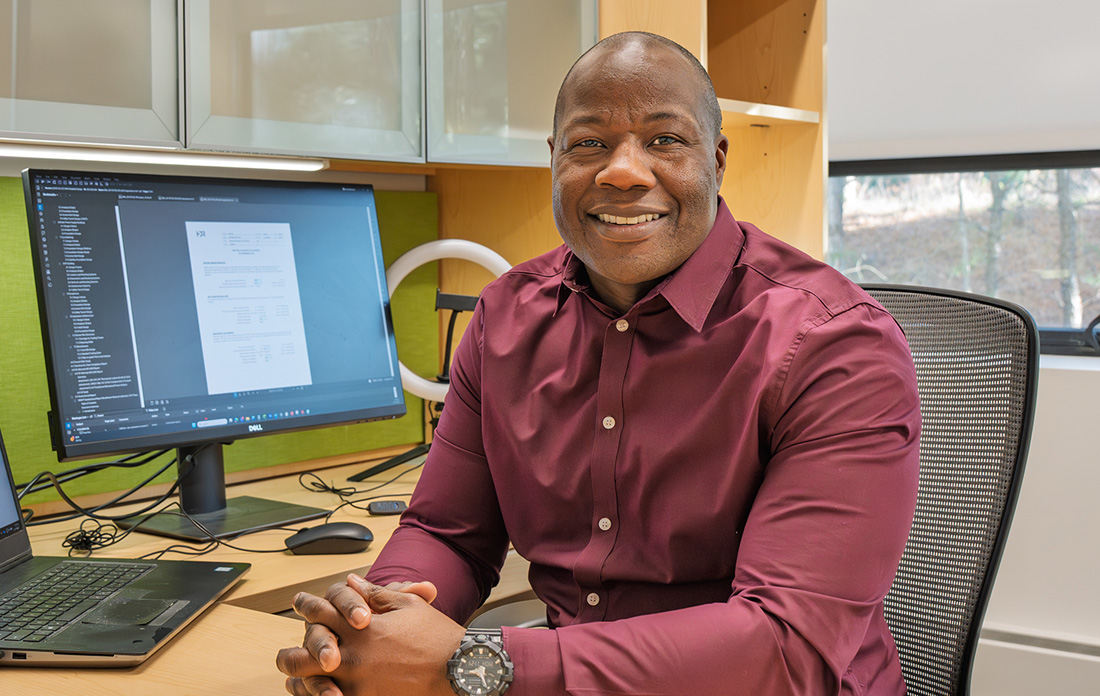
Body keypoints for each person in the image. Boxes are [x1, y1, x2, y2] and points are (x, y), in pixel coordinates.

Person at [276, 31, 921, 696]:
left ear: (717, 160)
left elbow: (785, 649)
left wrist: (476, 665)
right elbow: (448, 531)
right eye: (589, 143)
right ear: (553, 159)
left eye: (664, 140)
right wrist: (370, 622)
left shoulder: (835, 347)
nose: (623, 172)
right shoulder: (506, 316)